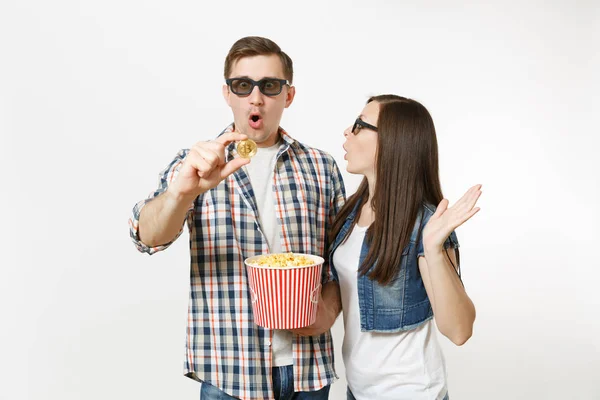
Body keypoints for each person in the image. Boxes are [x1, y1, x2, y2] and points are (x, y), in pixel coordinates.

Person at [129, 36, 346, 400]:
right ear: (228, 94)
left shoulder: (321, 167)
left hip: (307, 370)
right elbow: (147, 237)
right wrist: (183, 193)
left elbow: (344, 260)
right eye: (243, 86)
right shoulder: (194, 164)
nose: (256, 98)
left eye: (270, 86)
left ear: (288, 96)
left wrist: (329, 310)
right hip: (230, 371)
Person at [329, 95, 480, 400]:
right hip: (358, 391)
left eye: (360, 125)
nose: (347, 131)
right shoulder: (350, 213)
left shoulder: (424, 222)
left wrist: (433, 250)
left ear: (392, 142)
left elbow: (459, 330)